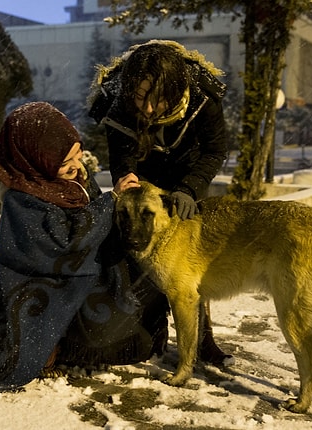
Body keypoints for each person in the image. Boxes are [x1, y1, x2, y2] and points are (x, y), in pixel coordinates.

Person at [0, 102, 169, 395]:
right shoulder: (23, 199)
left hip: (85, 276)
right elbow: (65, 242)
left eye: (78, 156)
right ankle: (57, 346)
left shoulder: (73, 179)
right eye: (65, 161)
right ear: (36, 158)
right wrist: (110, 201)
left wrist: (120, 200)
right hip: (49, 289)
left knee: (153, 286)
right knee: (105, 330)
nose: (76, 166)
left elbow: (91, 217)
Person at [88, 40, 232, 365]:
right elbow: (121, 153)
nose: (149, 110)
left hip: (188, 175)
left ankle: (202, 339)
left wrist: (190, 188)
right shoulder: (117, 101)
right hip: (144, 180)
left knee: (190, 268)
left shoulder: (203, 97)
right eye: (141, 98)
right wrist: (125, 177)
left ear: (177, 88)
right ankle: (150, 333)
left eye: (158, 99)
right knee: (140, 256)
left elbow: (215, 150)